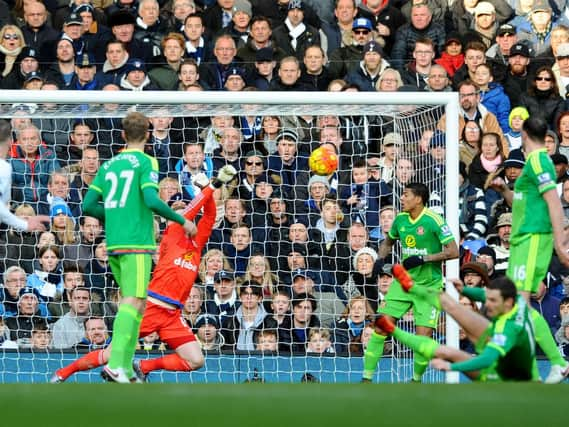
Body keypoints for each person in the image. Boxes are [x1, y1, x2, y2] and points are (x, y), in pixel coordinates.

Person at [52, 167, 237, 383]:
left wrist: (212, 189)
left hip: (172, 315)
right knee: (111, 354)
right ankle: (63, 373)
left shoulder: (196, 245)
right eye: (173, 211)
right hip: (150, 307)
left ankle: (143, 366)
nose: (177, 214)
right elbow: (191, 211)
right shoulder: (172, 235)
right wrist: (210, 187)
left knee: (196, 360)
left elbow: (210, 215)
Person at [81, 112, 198, 383]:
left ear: (122, 135)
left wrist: (115, 216)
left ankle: (123, 368)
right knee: (132, 302)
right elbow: (151, 199)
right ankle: (117, 364)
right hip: (137, 243)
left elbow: (87, 206)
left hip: (113, 242)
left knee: (138, 303)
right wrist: (182, 220)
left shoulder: (109, 164)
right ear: (147, 134)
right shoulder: (147, 161)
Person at [489, 116, 569, 383]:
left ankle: (555, 363)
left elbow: (553, 202)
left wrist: (560, 243)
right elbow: (523, 202)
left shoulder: (538, 160)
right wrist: (504, 191)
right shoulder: (532, 164)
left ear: (523, 134)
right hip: (523, 238)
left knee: (520, 304)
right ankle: (531, 373)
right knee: (517, 306)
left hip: (534, 237)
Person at [362, 182, 459, 383]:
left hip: (428, 287)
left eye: (406, 195)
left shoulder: (434, 220)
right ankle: (366, 378)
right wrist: (380, 260)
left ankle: (415, 381)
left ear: (418, 199)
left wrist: (424, 259)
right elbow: (388, 241)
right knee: (381, 327)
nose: (402, 198)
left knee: (422, 338)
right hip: (403, 282)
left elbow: (453, 251)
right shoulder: (400, 220)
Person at [376, 273, 538, 381]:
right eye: (488, 299)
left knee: (445, 352)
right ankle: (411, 286)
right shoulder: (517, 302)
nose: (487, 304)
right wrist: (464, 290)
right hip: (503, 352)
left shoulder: (508, 330)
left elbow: (487, 359)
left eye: (493, 301)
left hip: (500, 377)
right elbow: (482, 294)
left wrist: (451, 367)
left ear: (508, 302)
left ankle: (392, 330)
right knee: (450, 303)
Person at [0, 120, 47, 232]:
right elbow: (3, 207)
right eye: (25, 139)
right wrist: (24, 225)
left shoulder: (5, 167)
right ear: (12, 141)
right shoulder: (4, 168)